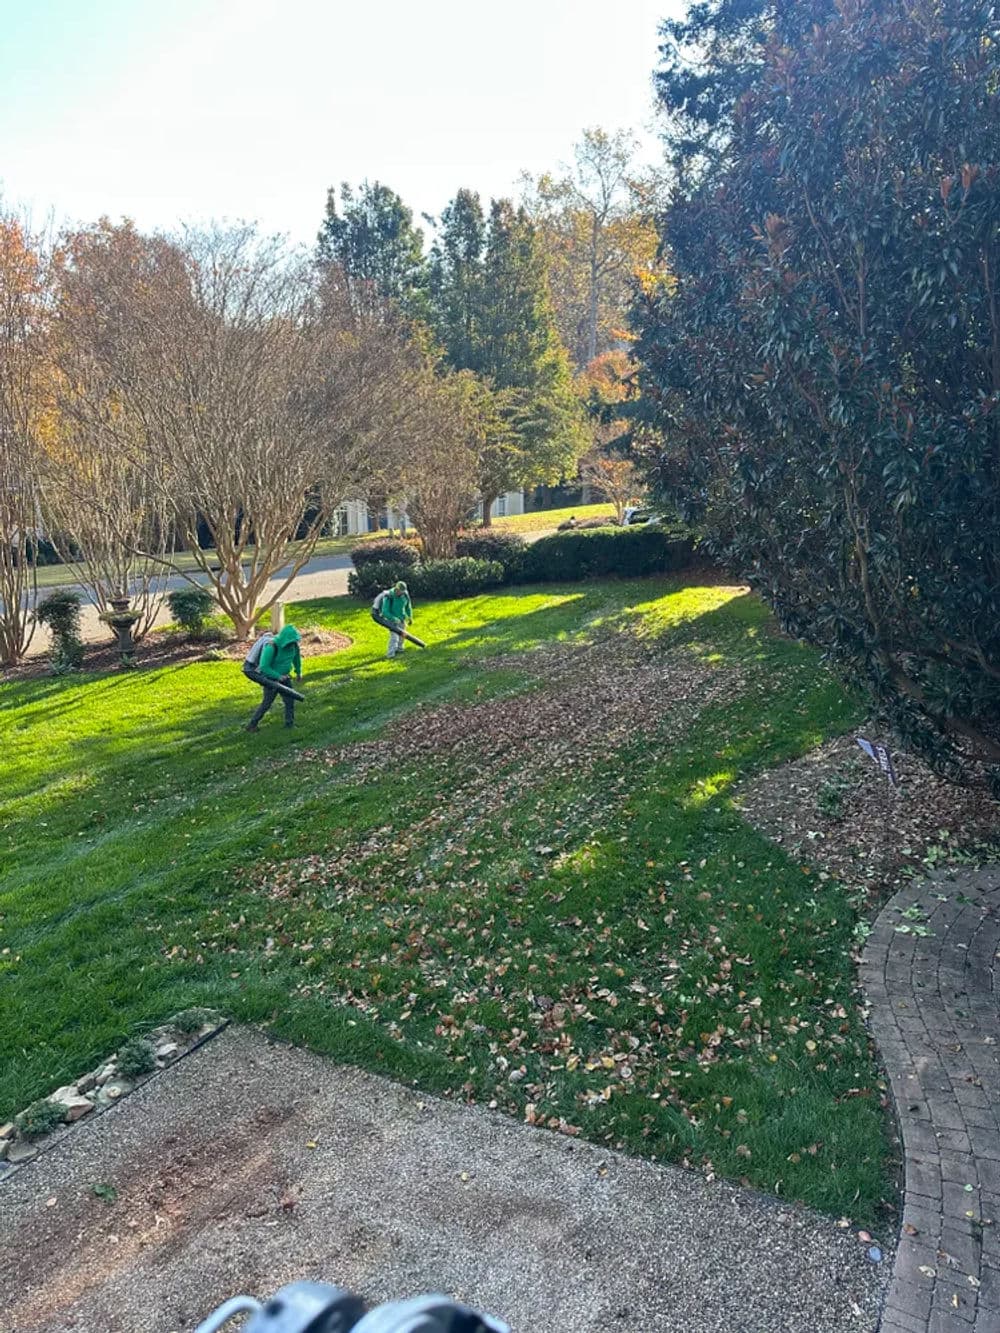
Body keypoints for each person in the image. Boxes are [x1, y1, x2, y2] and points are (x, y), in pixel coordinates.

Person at [243, 624, 302, 731]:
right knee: (267, 703)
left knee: (290, 700)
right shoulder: (271, 646)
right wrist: (278, 676)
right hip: (271, 679)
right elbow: (264, 666)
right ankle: (252, 724)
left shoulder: (294, 646)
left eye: (295, 641)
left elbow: (296, 658)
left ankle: (289, 724)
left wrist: (298, 672)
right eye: (291, 642)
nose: (293, 644)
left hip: (285, 677)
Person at [372, 580, 413, 658]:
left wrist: (410, 617)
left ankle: (399, 649)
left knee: (402, 635)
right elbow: (385, 611)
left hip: (402, 618)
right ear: (396, 589)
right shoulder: (389, 596)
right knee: (394, 637)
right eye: (400, 591)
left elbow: (408, 606)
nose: (401, 593)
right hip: (392, 620)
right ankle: (390, 654)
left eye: (402, 592)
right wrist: (394, 618)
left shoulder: (405, 595)